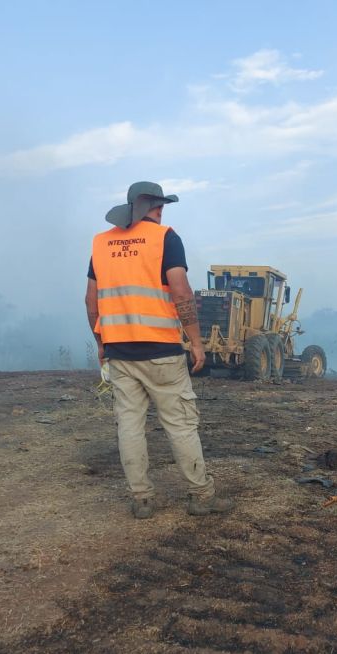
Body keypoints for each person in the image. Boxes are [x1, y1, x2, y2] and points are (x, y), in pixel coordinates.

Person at [85, 181, 234, 520]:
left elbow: (91, 301)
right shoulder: (166, 238)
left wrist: (101, 344)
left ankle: (142, 500)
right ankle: (201, 495)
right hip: (162, 350)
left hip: (120, 353)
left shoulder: (101, 243)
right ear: (157, 207)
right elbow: (180, 292)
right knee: (181, 424)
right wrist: (196, 342)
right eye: (160, 205)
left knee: (130, 426)